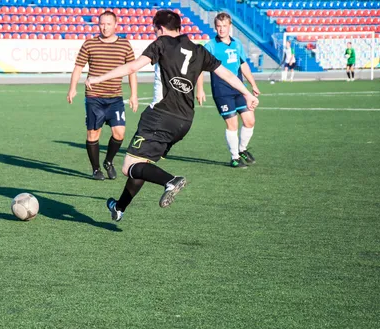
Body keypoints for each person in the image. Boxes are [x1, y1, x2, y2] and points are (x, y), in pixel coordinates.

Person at [85, 10, 259, 222]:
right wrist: (247, 93)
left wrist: (97, 78)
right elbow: (227, 74)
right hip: (184, 122)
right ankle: (119, 207)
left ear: (159, 29)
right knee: (143, 163)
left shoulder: (161, 44)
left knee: (128, 166)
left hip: (159, 116)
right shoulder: (198, 50)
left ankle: (171, 181)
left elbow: (132, 67)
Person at [67, 11, 139, 180]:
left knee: (119, 133)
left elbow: (131, 71)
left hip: (115, 97)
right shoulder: (89, 44)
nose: (105, 27)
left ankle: (108, 161)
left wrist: (134, 94)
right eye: (101, 24)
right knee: (93, 134)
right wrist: (72, 88)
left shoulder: (125, 45)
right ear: (98, 25)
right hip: (94, 97)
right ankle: (96, 169)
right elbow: (78, 67)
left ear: (115, 25)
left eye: (108, 24)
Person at [196, 12, 260, 168]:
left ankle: (242, 149)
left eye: (224, 26)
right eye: (218, 26)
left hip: (239, 89)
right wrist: (200, 89)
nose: (221, 29)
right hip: (221, 91)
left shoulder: (237, 43)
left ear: (230, 26)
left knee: (250, 121)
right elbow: (198, 68)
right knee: (232, 124)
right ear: (215, 27)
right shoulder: (210, 45)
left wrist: (253, 84)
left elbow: (243, 64)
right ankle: (234, 157)